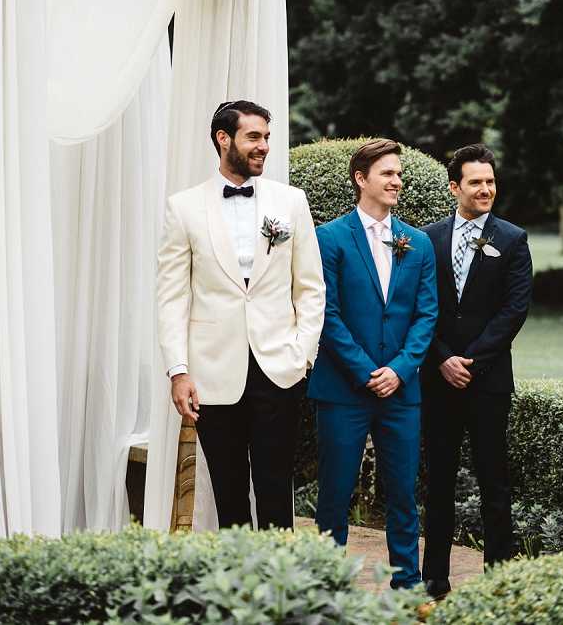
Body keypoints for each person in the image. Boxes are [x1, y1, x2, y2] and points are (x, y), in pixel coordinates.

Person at [157, 100, 325, 530]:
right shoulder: (184, 207)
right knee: (229, 494)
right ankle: (239, 592)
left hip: (279, 369)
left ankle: (278, 593)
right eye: (254, 136)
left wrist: (301, 355)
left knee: (275, 492)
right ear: (223, 139)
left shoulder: (291, 202)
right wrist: (179, 370)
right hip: (213, 373)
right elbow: (172, 297)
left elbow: (310, 287)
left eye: (267, 137)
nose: (264, 146)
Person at [308, 138, 438, 588]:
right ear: (361, 179)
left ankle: (407, 584)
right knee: (335, 494)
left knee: (403, 494)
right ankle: (327, 585)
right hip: (343, 391)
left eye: (399, 173)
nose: (397, 181)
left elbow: (426, 315)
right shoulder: (328, 238)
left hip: (402, 392)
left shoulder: (417, 243)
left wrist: (399, 369)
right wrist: (366, 371)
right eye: (387, 173)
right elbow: (327, 313)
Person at [421, 144, 533, 599]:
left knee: (493, 481)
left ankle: (499, 578)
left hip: (487, 382)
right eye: (476, 182)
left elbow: (514, 310)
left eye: (490, 181)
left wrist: (471, 361)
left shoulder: (513, 239)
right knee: (439, 480)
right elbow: (420, 307)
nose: (485, 189)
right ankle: (434, 578)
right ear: (455, 187)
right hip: (438, 379)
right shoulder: (428, 238)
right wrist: (443, 357)